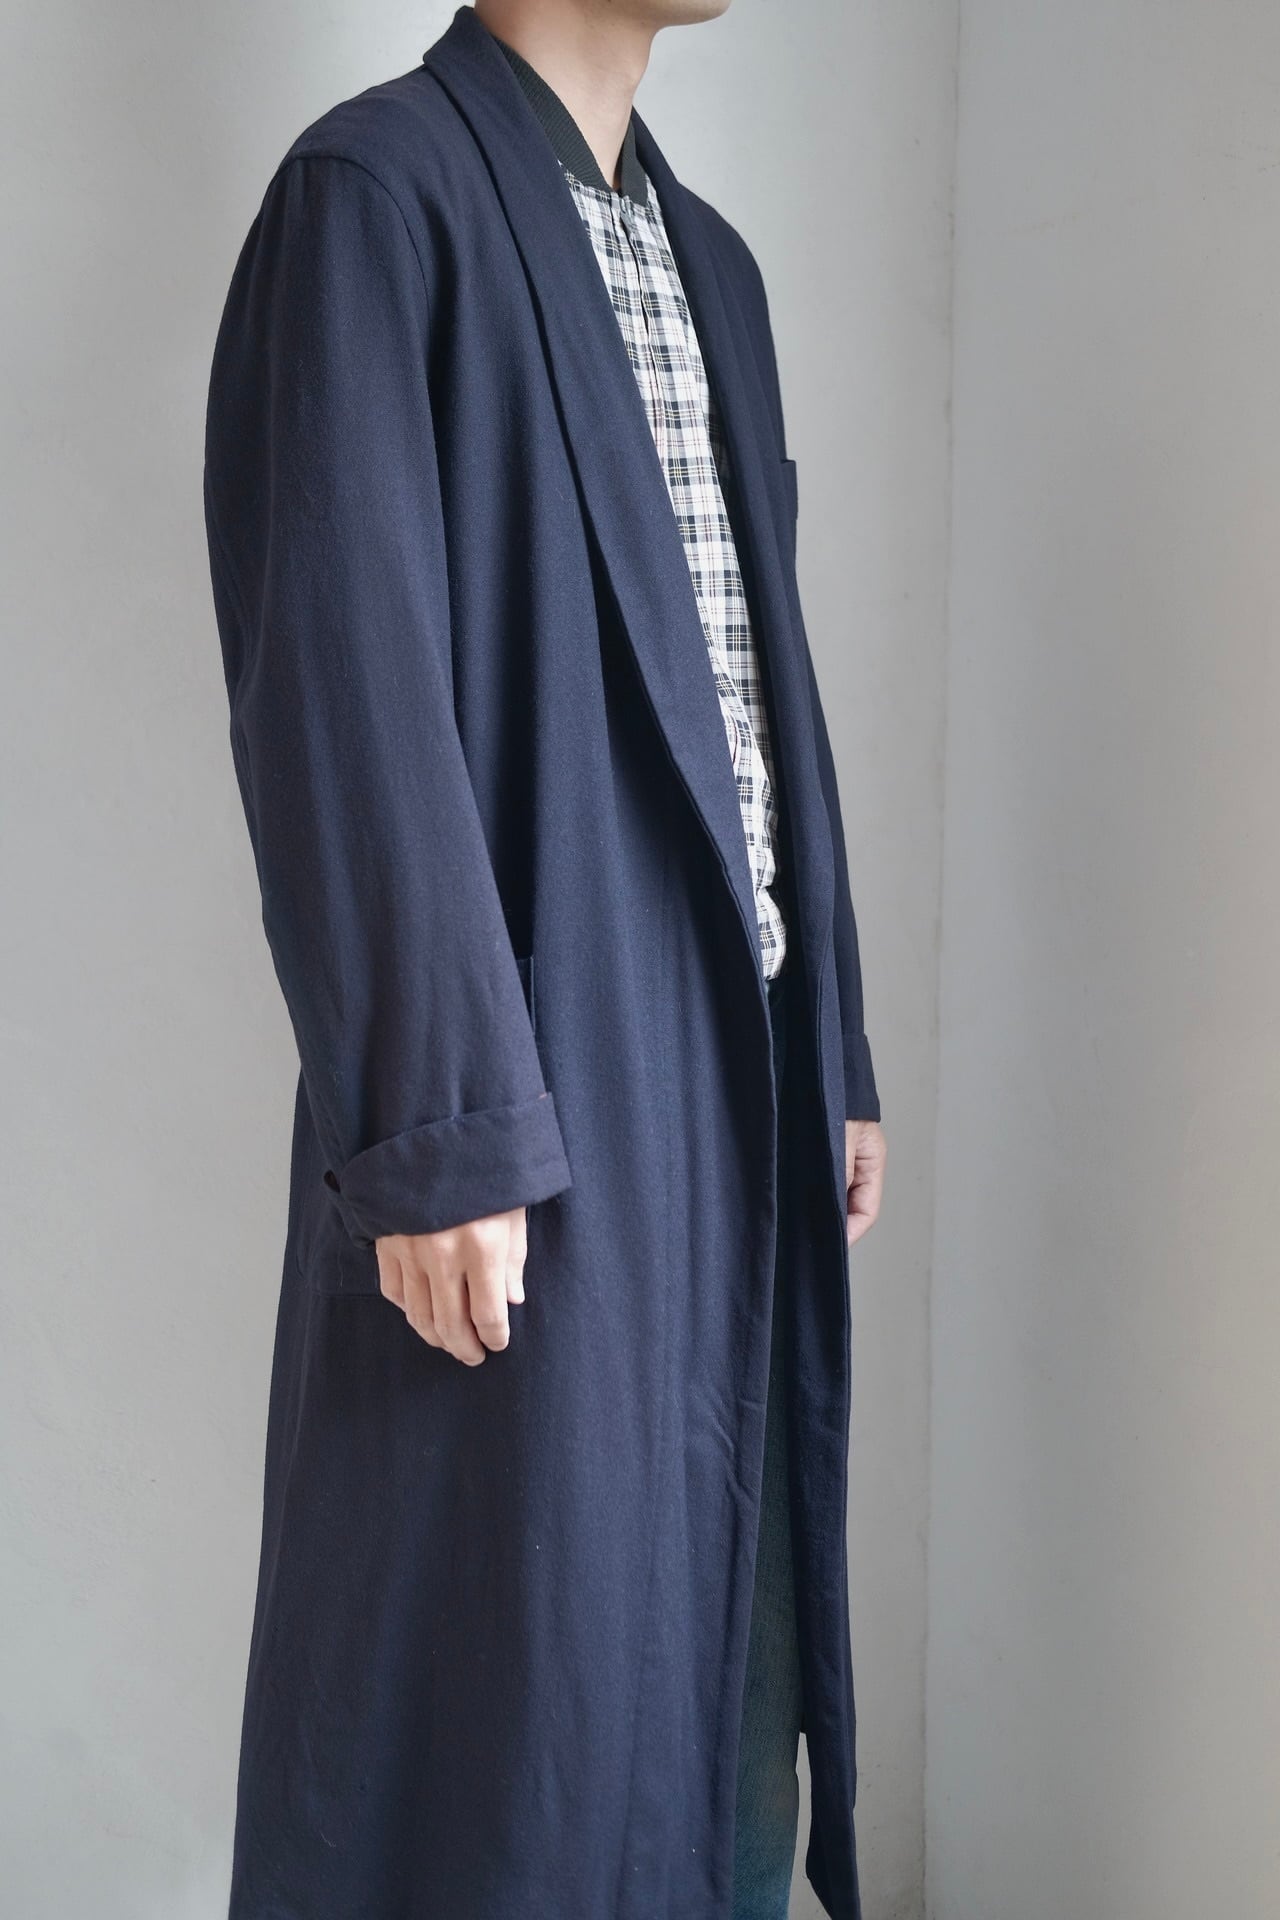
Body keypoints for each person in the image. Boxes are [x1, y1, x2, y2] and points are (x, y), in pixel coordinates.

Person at [202, 2, 886, 1915]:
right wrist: (438, 1120)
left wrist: (830, 1035)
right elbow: (341, 679)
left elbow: (763, 694)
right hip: (535, 1073)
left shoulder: (711, 266)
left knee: (726, 1669)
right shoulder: (375, 200)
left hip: (737, 1076)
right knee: (518, 1708)